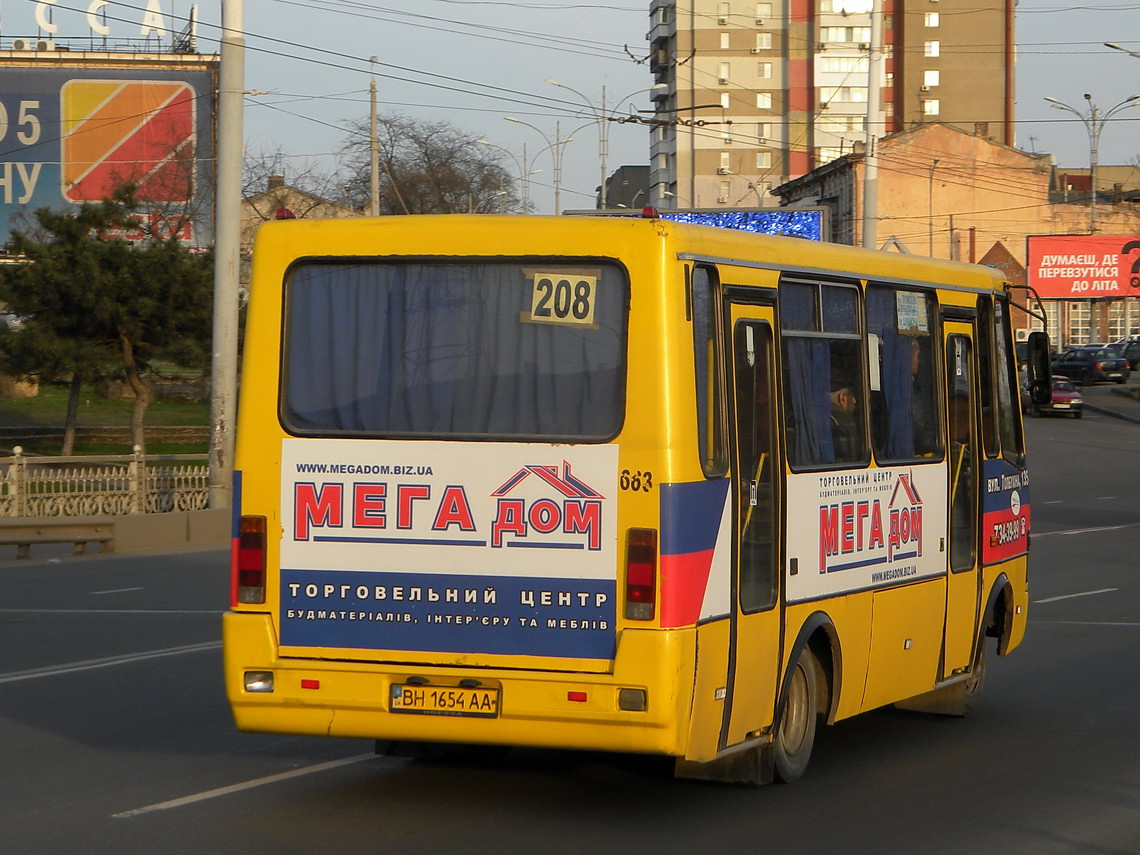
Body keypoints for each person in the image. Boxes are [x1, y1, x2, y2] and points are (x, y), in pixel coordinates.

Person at [830, 383, 860, 461]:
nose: (854, 401)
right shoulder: (845, 422)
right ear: (843, 399)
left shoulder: (823, 418)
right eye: (852, 396)